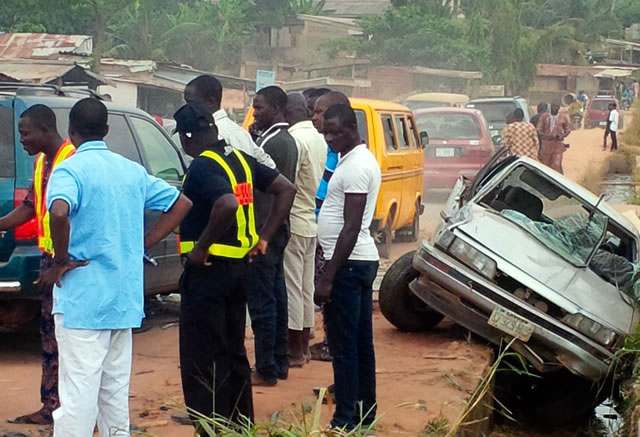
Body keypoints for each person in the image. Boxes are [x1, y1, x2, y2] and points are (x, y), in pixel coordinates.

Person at [42, 98, 192, 437]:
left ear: (72, 132)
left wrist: (61, 260)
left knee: (78, 393)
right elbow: (181, 202)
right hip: (122, 298)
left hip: (83, 299)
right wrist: (143, 243)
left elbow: (60, 212)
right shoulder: (130, 170)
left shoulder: (70, 169)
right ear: (106, 131)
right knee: (113, 390)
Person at [175, 103, 295, 430]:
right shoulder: (241, 159)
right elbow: (286, 188)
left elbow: (226, 204)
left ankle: (211, 427)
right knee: (233, 351)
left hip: (209, 272)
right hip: (239, 270)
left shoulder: (202, 167)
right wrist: (265, 237)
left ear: (188, 138)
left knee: (202, 356)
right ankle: (239, 426)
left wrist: (200, 248)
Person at [0, 105, 75, 425]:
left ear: (46, 129)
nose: (22, 140)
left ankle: (74, 410)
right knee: (50, 337)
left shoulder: (72, 160)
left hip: (69, 264)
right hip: (49, 262)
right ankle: (51, 406)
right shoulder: (42, 161)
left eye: (25, 133)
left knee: (70, 339)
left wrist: (59, 262)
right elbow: (32, 207)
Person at [315, 104, 381, 430]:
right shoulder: (351, 159)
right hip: (356, 263)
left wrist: (328, 275)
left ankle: (345, 421)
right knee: (359, 344)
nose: (329, 138)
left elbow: (351, 226)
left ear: (352, 128)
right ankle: (364, 412)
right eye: (326, 131)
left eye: (336, 131)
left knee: (344, 348)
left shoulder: (356, 166)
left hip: (349, 266)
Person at [246, 86, 298, 385]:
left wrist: (262, 233)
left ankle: (266, 367)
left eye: (260, 107)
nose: (255, 113)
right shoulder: (279, 139)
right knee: (277, 297)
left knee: (263, 302)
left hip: (266, 227)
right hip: (277, 228)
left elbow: (273, 188)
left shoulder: (276, 143)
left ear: (277, 108)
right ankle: (279, 362)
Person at [283, 92, 328, 368]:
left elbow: (287, 185)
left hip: (295, 220)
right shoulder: (319, 139)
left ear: (288, 112)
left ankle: (296, 351)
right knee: (305, 286)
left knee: (292, 287)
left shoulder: (295, 141)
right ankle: (305, 343)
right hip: (311, 220)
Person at [309, 91, 351, 363]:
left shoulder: (342, 153)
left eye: (319, 113)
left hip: (335, 239)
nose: (314, 118)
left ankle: (332, 344)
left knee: (331, 291)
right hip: (321, 230)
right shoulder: (328, 147)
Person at [184, 74, 275, 169]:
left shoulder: (211, 135)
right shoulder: (241, 133)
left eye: (191, 103)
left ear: (210, 102)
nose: (187, 108)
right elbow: (270, 167)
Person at [537, 102, 570, 173]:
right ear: (550, 107)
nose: (554, 108)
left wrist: (562, 136)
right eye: (553, 106)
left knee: (556, 164)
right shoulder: (544, 116)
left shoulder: (563, 117)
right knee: (545, 165)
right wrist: (546, 136)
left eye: (556, 106)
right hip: (546, 145)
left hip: (557, 145)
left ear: (559, 107)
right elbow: (538, 129)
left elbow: (567, 130)